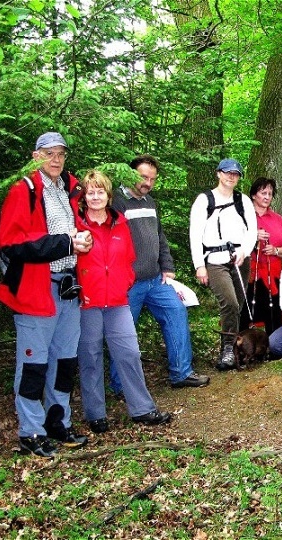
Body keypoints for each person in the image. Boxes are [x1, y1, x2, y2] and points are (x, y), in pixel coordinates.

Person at [0, 132, 90, 458]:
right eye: (49, 153)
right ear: (36, 156)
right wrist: (66, 243)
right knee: (34, 365)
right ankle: (30, 432)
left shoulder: (69, 189)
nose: (56, 159)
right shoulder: (24, 190)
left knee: (64, 362)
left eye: (61, 153)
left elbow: (76, 234)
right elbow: (10, 243)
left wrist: (80, 244)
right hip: (36, 289)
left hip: (68, 288)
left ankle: (57, 423)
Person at [75, 170, 172, 433]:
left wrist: (124, 281)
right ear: (84, 196)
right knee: (90, 357)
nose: (95, 197)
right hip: (88, 302)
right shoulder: (77, 225)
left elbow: (130, 259)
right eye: (90, 192)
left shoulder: (119, 224)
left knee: (129, 354)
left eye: (100, 192)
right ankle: (95, 414)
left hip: (118, 301)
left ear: (109, 195)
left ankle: (142, 409)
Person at [112, 155, 210, 389]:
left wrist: (167, 266)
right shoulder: (116, 202)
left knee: (176, 312)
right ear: (131, 174)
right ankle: (120, 384)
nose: (148, 183)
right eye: (143, 177)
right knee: (125, 333)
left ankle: (181, 372)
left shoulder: (149, 201)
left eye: (152, 179)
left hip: (155, 279)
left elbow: (159, 237)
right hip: (129, 283)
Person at [189, 158, 258, 370]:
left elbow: (252, 229)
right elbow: (195, 233)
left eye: (235, 174)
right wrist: (199, 264)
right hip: (215, 260)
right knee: (230, 303)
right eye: (227, 172)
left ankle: (235, 349)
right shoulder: (204, 200)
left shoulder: (243, 200)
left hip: (239, 259)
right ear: (219, 173)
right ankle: (228, 349)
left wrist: (244, 250)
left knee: (237, 305)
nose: (231, 177)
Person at [242, 177, 282, 335]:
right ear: (254, 195)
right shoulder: (243, 217)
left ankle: (274, 349)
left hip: (273, 276)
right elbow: (235, 242)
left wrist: (275, 250)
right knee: (246, 311)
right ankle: (241, 348)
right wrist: (252, 237)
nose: (267, 197)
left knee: (273, 311)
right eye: (263, 193)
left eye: (270, 193)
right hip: (249, 275)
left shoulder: (278, 220)